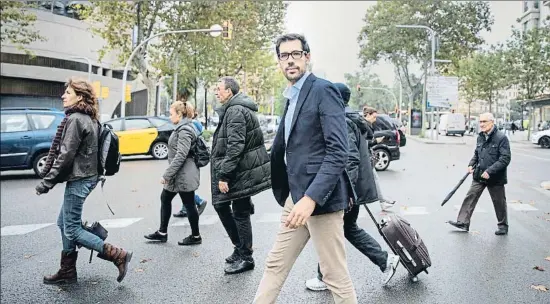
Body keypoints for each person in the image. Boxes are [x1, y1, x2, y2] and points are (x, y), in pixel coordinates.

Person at [254, 33, 357, 304]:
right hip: (295, 196)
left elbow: (338, 151)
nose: (290, 61)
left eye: (295, 54)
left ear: (307, 57)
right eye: (284, 56)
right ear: (279, 61)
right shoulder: (291, 96)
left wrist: (311, 199)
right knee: (275, 264)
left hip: (319, 201)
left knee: (334, 275)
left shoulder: (323, 90)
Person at [305, 83, 400, 292]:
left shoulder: (343, 121)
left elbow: (349, 159)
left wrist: (347, 191)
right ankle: (384, 261)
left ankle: (382, 261)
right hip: (352, 188)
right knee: (342, 230)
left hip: (347, 189)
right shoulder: (351, 119)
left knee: (333, 232)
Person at [37, 77, 132, 284]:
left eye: (68, 93)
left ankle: (118, 255)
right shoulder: (88, 118)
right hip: (88, 177)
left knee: (70, 227)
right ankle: (67, 270)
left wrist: (46, 182)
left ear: (80, 97)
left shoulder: (76, 119)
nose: (63, 95)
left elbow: (65, 156)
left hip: (81, 178)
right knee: (64, 223)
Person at [211, 76, 271, 275]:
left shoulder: (235, 110)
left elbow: (235, 146)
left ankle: (245, 256)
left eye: (219, 89)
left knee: (237, 211)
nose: (216, 92)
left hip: (239, 171)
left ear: (229, 91)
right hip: (242, 169)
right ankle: (241, 249)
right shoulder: (236, 108)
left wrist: (224, 176)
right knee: (235, 208)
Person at [144, 101, 202, 245]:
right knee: (165, 198)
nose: (170, 117)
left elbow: (181, 155)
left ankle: (196, 236)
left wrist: (166, 175)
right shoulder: (181, 128)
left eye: (171, 114)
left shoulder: (185, 130)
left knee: (189, 204)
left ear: (180, 114)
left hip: (183, 174)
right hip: (178, 174)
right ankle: (162, 232)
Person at [447, 112, 511, 235]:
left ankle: (503, 226)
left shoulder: (501, 138)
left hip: (495, 177)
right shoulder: (480, 137)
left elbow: (505, 158)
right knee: (470, 197)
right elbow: (477, 154)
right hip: (479, 175)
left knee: (499, 202)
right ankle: (463, 222)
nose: (481, 124)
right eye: (480, 122)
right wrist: (471, 164)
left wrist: (490, 171)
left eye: (484, 122)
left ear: (492, 122)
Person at [173, 111, 208, 218]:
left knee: (184, 187)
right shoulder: (193, 124)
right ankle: (185, 209)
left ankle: (199, 201)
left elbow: (191, 141)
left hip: (189, 160)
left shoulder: (190, 125)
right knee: (184, 188)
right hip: (190, 160)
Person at [363, 106, 396, 211]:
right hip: (363, 159)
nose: (375, 119)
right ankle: (383, 201)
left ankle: (383, 201)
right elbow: (363, 143)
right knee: (373, 180)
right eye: (374, 117)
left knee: (375, 179)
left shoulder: (366, 125)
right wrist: (376, 141)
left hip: (366, 157)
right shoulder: (363, 126)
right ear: (368, 115)